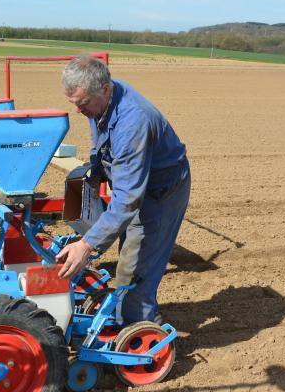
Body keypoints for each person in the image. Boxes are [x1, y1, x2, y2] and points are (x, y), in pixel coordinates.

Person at [55, 55, 191, 325]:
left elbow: (128, 200)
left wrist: (87, 245)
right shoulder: (101, 100)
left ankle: (139, 331)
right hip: (134, 182)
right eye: (73, 104)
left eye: (82, 104)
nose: (78, 112)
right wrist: (96, 168)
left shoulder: (133, 123)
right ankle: (124, 314)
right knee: (125, 249)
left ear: (104, 89)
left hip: (159, 192)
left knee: (135, 264)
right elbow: (100, 136)